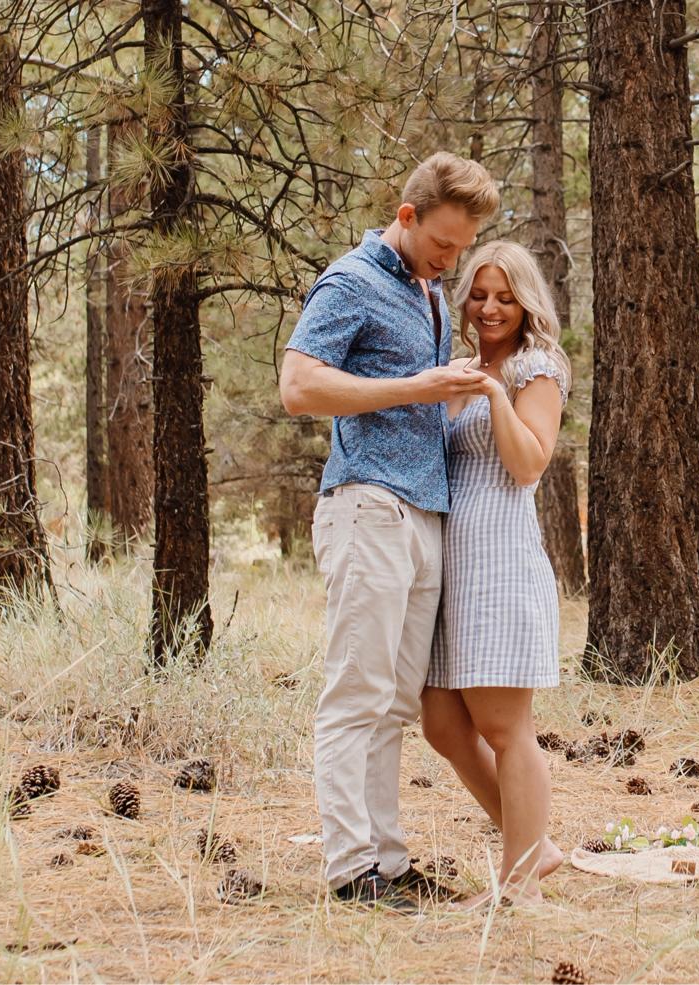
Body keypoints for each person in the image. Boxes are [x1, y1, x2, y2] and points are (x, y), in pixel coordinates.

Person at [279, 152, 500, 911]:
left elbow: (421, 401)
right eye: (442, 244)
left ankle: (388, 863)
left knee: (396, 703)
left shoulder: (427, 291)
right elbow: (298, 386)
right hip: (367, 504)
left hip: (425, 512)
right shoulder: (350, 282)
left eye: (463, 247)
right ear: (406, 217)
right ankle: (350, 869)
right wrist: (418, 385)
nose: (452, 260)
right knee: (358, 692)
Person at [419, 240, 572, 906]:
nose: (489, 308)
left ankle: (520, 883)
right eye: (480, 295)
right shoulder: (461, 367)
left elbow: (529, 463)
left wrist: (492, 393)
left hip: (499, 558)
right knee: (443, 724)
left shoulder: (536, 367)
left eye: (505, 297)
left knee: (506, 728)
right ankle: (535, 845)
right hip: (450, 563)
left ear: (526, 302)